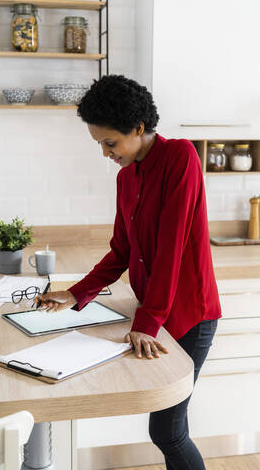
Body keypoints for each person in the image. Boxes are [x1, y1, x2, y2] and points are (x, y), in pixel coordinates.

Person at [35, 74, 222, 470]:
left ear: (138, 128)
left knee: (168, 432)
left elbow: (172, 249)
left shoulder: (181, 158)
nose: (105, 153)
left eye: (110, 143)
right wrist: (75, 293)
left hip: (189, 314)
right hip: (154, 313)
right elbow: (122, 252)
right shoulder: (126, 178)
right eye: (100, 144)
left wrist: (148, 321)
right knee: (167, 430)